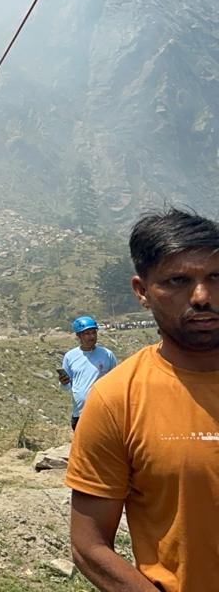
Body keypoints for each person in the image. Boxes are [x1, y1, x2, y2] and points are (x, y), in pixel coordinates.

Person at [66, 209, 219, 591]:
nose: (202, 296)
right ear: (142, 291)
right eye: (178, 281)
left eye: (216, 277)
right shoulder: (117, 399)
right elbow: (89, 544)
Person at [58, 315, 116, 429]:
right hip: (80, 414)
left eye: (94, 333)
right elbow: (66, 387)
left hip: (103, 413)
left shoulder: (107, 354)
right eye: (87, 334)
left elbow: (116, 381)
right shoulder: (70, 357)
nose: (92, 336)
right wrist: (64, 382)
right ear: (78, 335)